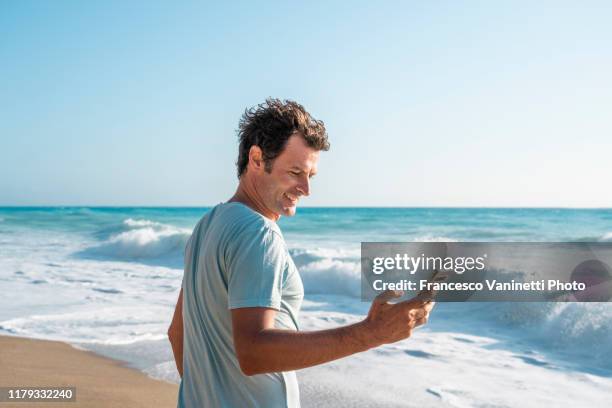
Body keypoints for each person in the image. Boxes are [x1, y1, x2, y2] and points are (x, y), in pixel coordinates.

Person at [167, 98, 434, 407]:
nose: (306, 189)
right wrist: (371, 333)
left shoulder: (208, 224)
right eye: (295, 172)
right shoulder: (258, 232)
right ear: (256, 159)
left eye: (311, 175)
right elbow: (254, 352)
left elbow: (177, 334)